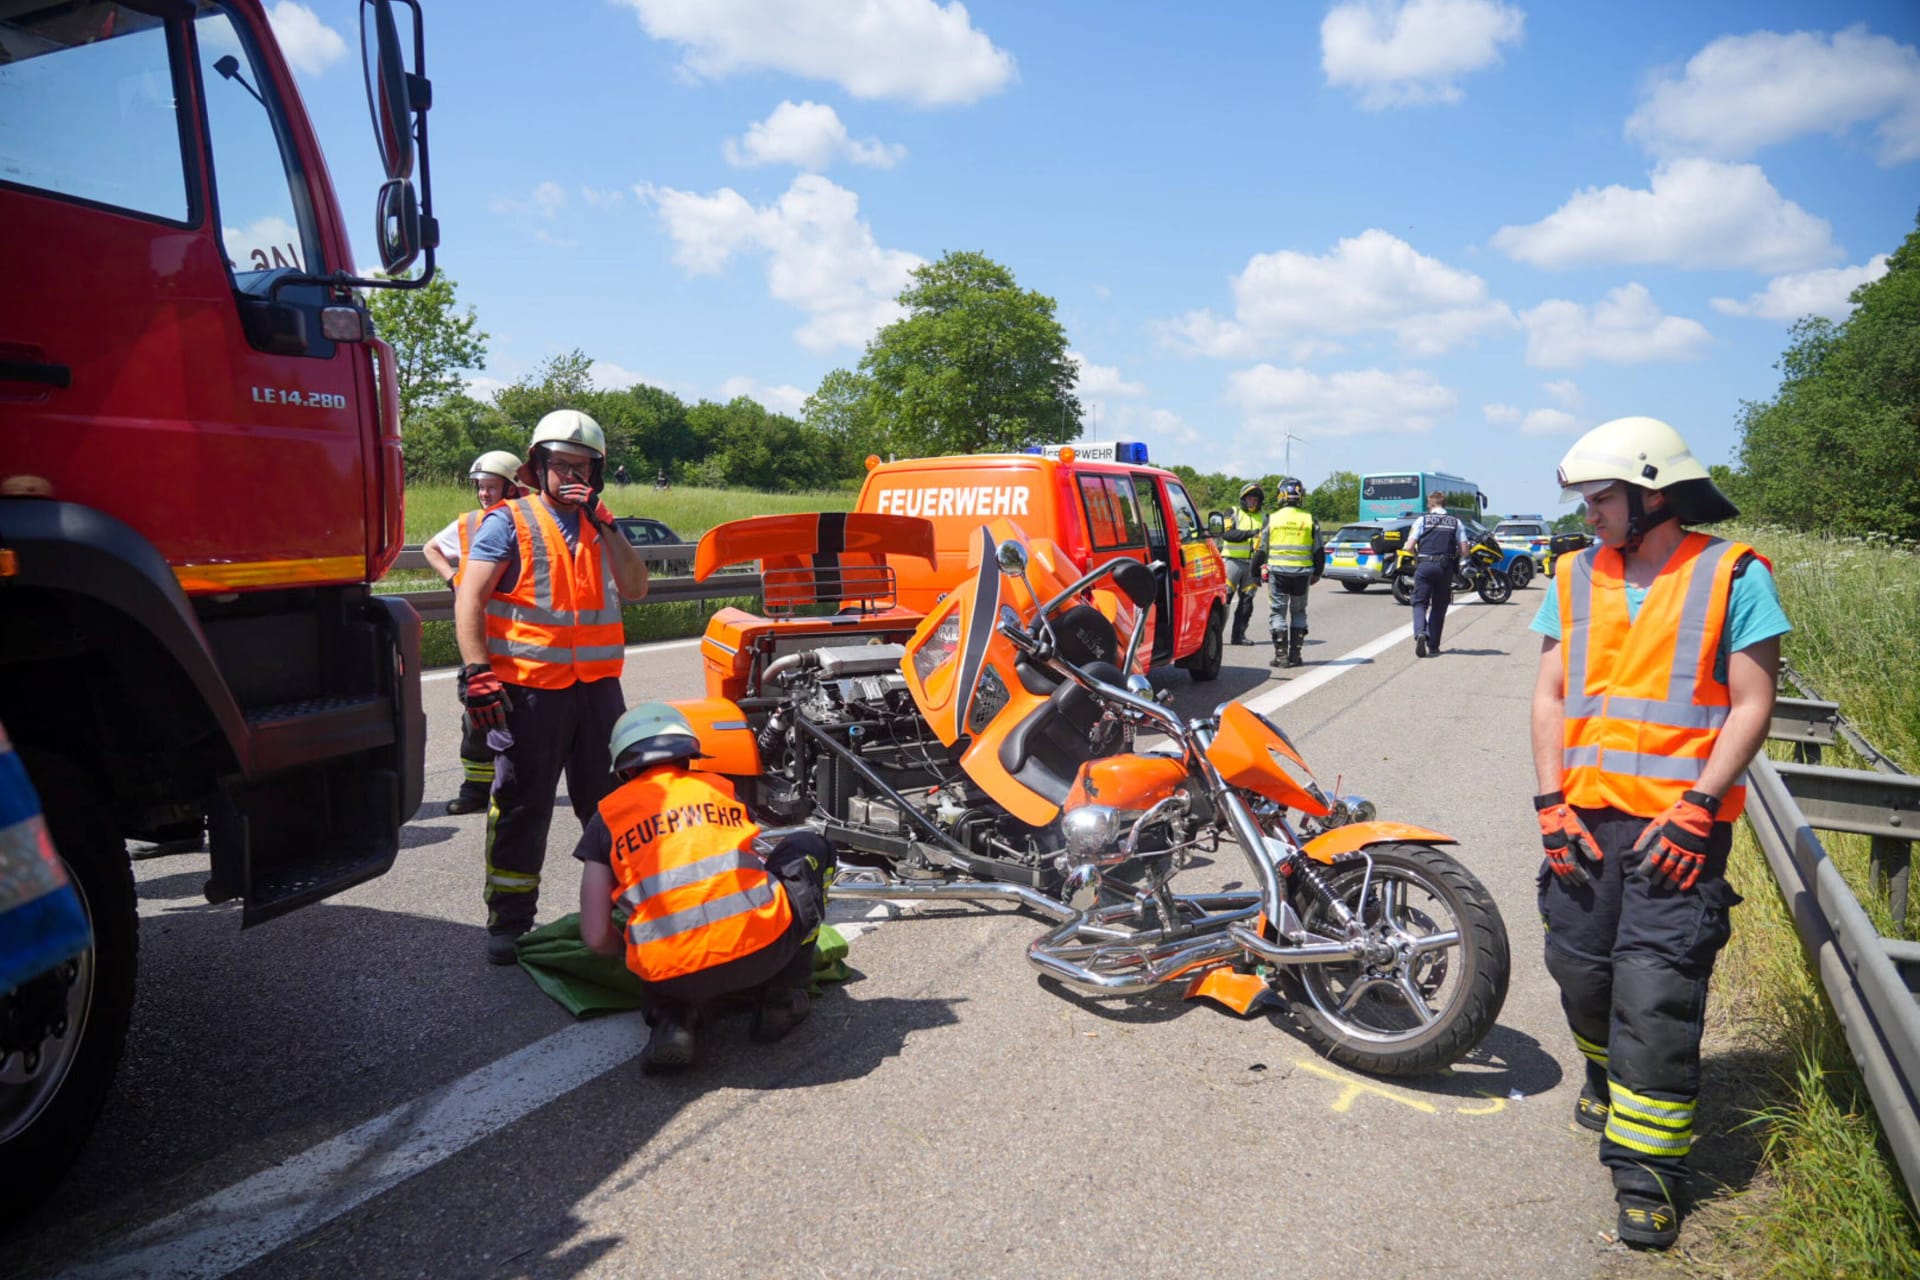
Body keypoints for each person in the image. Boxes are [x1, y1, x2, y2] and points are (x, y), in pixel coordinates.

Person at [1529, 416, 1788, 1250]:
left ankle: (1647, 1175)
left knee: (1656, 993)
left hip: (1681, 824)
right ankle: (1606, 1078)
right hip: (1583, 818)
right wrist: (1549, 802)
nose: (1588, 515)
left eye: (1600, 498)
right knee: (1579, 970)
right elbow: (1550, 696)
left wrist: (1701, 805)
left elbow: (1752, 702)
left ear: (1652, 493)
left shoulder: (1732, 575)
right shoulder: (1572, 575)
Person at [455, 410, 652, 965]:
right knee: (522, 805)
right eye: (561, 464)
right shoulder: (507, 521)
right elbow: (468, 599)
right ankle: (510, 922)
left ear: (598, 472)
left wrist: (608, 523)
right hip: (529, 692)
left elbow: (636, 588)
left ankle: (623, 908)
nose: (572, 475)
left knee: (612, 806)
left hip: (597, 692)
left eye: (583, 466)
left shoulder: (600, 524)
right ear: (537, 467)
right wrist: (477, 673)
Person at [575, 703, 830, 1074]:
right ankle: (781, 998)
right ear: (687, 755)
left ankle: (673, 1020)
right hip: (763, 954)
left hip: (674, 976)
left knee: (662, 946)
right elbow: (750, 865)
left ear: (625, 767)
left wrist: (638, 952)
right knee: (808, 847)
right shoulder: (720, 789)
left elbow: (596, 935)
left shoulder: (606, 818)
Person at [423, 450, 523, 815]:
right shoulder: (469, 524)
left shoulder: (528, 526)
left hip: (521, 644)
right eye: (480, 487)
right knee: (476, 723)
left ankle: (513, 786)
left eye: (491, 487)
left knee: (522, 725)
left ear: (513, 488)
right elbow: (432, 548)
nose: (484, 494)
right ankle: (475, 792)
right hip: (479, 645)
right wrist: (454, 580)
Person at [1255, 477, 1323, 668]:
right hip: (1302, 574)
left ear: (1281, 495)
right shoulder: (1310, 519)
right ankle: (1296, 655)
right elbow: (1319, 551)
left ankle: (1281, 656)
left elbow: (1261, 550)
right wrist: (1317, 572)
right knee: (1299, 611)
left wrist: (1254, 571)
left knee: (1278, 612)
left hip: (1278, 573)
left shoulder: (1272, 518)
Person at [1405, 490, 1468, 657]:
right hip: (1444, 567)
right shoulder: (1456, 522)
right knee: (1439, 606)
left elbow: (1409, 546)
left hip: (1424, 564)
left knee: (1419, 602)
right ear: (1444, 504)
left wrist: (1417, 557)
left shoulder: (1422, 520)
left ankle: (1420, 632)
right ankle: (1433, 645)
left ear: (1430, 505)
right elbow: (1464, 550)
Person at [1218, 482, 1265, 645]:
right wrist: (1250, 533)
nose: (1252, 501)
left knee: (1247, 603)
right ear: (1243, 499)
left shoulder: (1264, 517)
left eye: (1256, 499)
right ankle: (1215, 637)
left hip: (1252, 564)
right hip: (1232, 562)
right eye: (1250, 498)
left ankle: (1238, 636)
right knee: (1224, 600)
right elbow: (1227, 534)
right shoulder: (1233, 511)